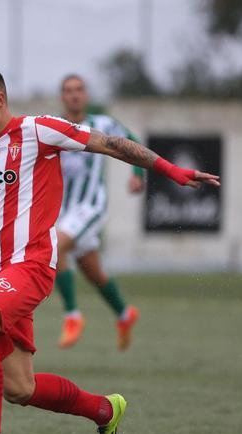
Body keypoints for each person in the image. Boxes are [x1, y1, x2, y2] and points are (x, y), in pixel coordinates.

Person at [0, 66, 219, 434]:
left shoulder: (38, 131)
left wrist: (170, 171)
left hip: (31, 264)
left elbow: (111, 144)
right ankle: (104, 411)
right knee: (20, 388)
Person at [54, 74, 143, 350]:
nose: (75, 95)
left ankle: (72, 316)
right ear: (62, 97)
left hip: (91, 207)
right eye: (69, 91)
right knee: (92, 271)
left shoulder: (102, 124)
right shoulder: (55, 128)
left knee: (53, 247)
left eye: (79, 89)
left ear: (86, 95)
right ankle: (124, 314)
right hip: (66, 211)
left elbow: (131, 140)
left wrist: (138, 172)